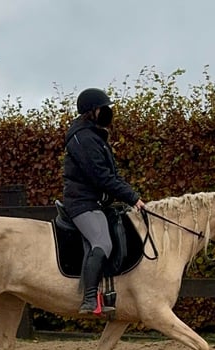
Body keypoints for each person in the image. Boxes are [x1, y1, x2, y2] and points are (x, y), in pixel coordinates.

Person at [63, 88, 146, 315]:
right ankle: (89, 298)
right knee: (102, 242)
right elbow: (100, 177)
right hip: (82, 203)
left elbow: (113, 176)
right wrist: (133, 197)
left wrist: (130, 196)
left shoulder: (95, 137)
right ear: (92, 111)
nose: (108, 112)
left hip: (97, 202)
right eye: (103, 108)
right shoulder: (84, 139)